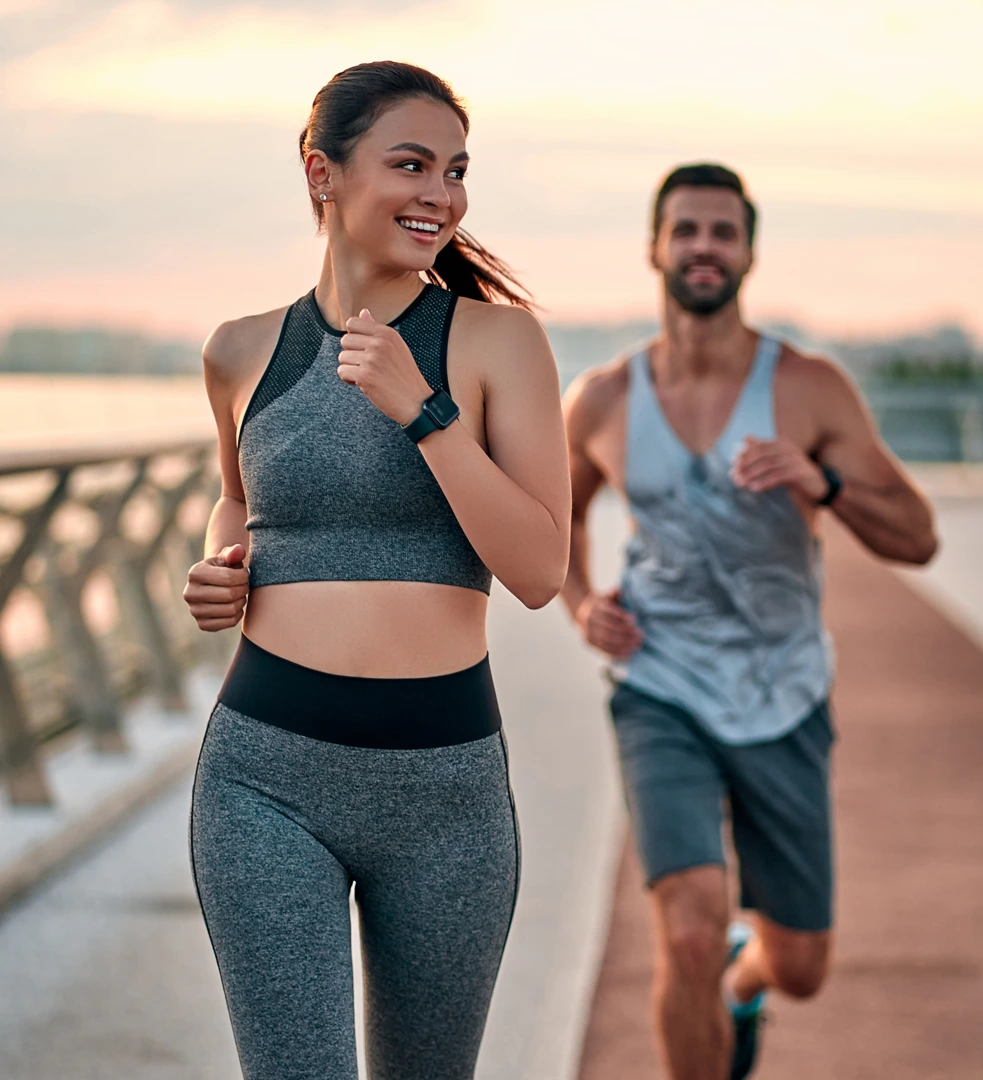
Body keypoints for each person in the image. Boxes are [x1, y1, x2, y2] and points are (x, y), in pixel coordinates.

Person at [181, 61, 571, 1080]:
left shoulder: (496, 341)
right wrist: (220, 573)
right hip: (264, 780)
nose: (440, 193)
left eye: (455, 170)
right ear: (324, 173)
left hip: (447, 794)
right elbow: (242, 502)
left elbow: (538, 569)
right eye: (411, 164)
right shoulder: (239, 349)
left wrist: (424, 411)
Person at [561, 163, 938, 1079]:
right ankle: (712, 978)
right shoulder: (605, 398)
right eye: (685, 229)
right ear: (655, 246)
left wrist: (825, 483)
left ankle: (747, 981)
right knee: (686, 932)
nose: (702, 247)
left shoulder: (808, 388)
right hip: (660, 688)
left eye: (722, 232)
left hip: (784, 693)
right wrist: (583, 604)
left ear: (749, 253)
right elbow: (556, 516)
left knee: (801, 965)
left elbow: (918, 539)